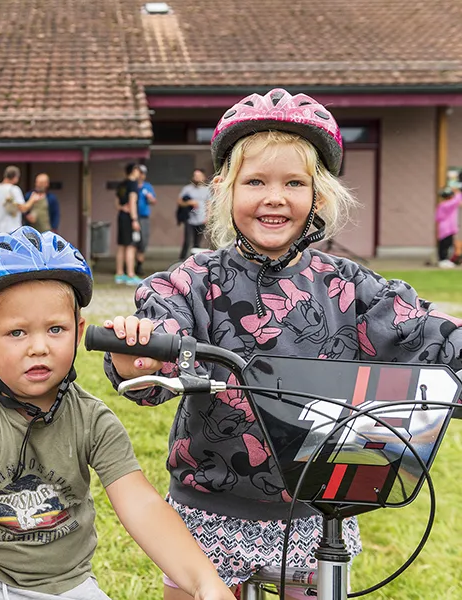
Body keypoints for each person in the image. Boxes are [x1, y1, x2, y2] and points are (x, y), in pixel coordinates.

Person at [102, 88, 462, 599]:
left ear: (318, 196)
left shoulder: (351, 288)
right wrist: (137, 351)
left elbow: (423, 333)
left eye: (294, 182)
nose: (275, 197)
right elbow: (158, 350)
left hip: (318, 508)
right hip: (210, 505)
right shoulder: (193, 281)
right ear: (226, 191)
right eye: (256, 182)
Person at [0, 226, 235, 600]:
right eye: (16, 333)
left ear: (79, 331)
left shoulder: (93, 419)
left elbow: (140, 504)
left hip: (72, 587)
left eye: (56, 329)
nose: (38, 347)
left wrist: (205, 581)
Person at [114, 163, 142, 285]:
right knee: (130, 246)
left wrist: (121, 207)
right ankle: (131, 274)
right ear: (134, 171)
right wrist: (134, 219)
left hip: (121, 216)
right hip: (130, 218)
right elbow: (133, 201)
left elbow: (116, 202)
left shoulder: (122, 184)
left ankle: (119, 274)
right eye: (138, 170)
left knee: (121, 246)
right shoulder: (133, 184)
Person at [0, 166, 36, 234]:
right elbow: (23, 208)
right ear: (15, 177)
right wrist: (33, 199)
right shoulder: (14, 189)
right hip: (12, 229)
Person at [177, 169, 210, 260]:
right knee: (187, 241)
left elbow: (209, 204)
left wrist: (208, 217)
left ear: (203, 177)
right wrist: (189, 203)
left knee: (197, 243)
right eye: (195, 176)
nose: (197, 178)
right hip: (189, 219)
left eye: (199, 176)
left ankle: (194, 261)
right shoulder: (187, 189)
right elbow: (179, 202)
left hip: (201, 219)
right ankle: (181, 260)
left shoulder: (207, 189)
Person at [136, 164, 156, 275]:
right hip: (133, 218)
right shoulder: (132, 186)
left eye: (142, 173)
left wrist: (150, 198)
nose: (140, 175)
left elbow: (154, 201)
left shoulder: (147, 186)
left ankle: (139, 265)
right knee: (134, 242)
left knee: (143, 241)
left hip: (144, 217)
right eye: (139, 173)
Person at [435, 186, 460, 269]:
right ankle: (443, 260)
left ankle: (444, 259)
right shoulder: (447, 204)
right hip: (447, 228)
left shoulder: (442, 205)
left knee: (447, 243)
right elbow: (457, 200)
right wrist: (458, 191)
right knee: (445, 244)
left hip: (445, 227)